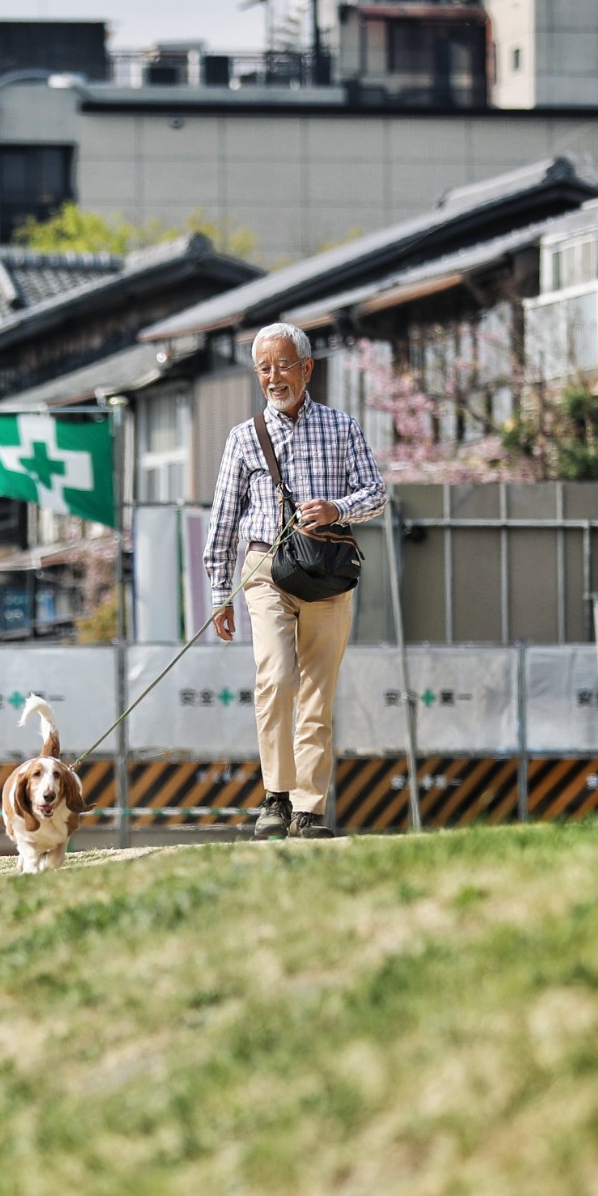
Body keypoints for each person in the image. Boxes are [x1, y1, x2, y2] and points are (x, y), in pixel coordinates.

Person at [206, 322, 387, 840]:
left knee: (317, 694)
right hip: (265, 570)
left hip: (328, 573)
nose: (273, 377)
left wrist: (338, 508)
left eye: (283, 365)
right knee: (276, 676)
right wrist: (220, 592)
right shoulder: (244, 437)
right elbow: (222, 519)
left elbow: (376, 493)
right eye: (264, 368)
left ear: (307, 368)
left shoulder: (342, 427)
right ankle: (275, 797)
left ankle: (308, 809)